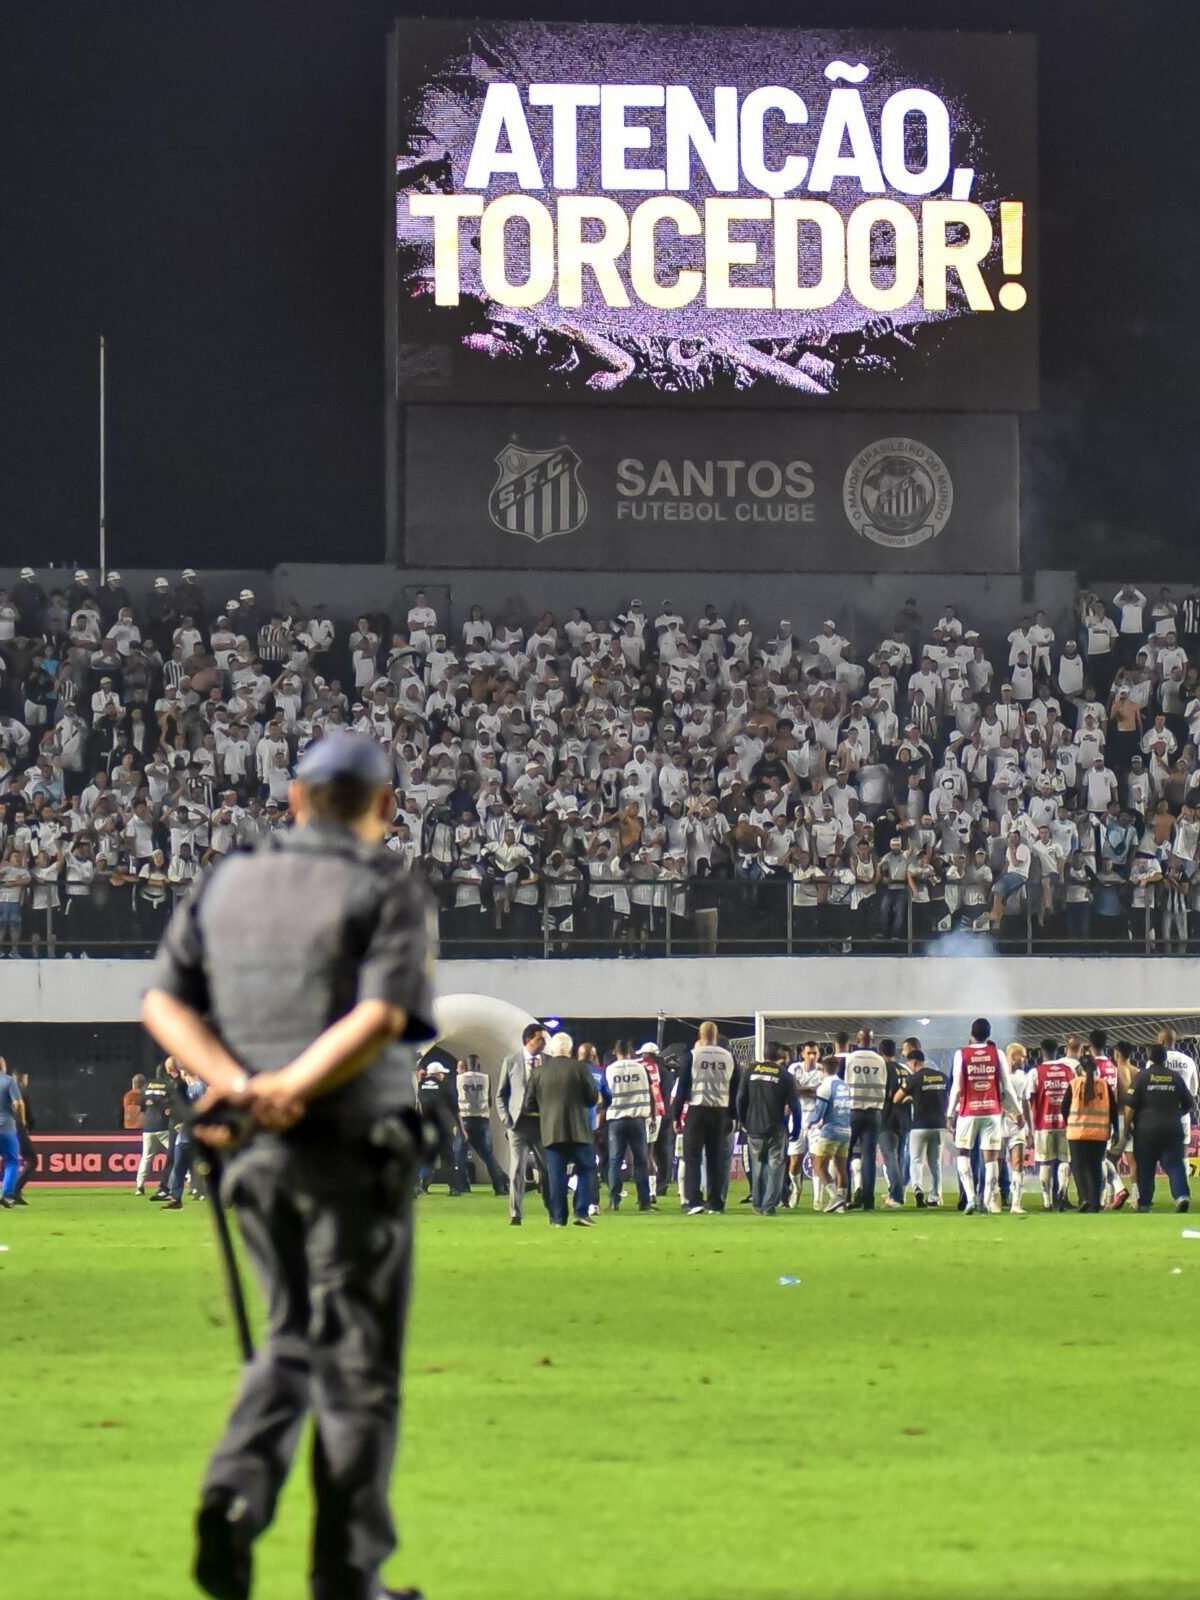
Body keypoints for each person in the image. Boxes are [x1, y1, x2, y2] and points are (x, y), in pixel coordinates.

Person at [141, 729, 436, 1600]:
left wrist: (239, 1084)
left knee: (287, 1341)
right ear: (384, 808)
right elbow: (382, 1016)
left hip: (249, 1154)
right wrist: (294, 1088)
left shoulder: (224, 880)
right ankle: (348, 1574)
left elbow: (162, 1000)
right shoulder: (386, 883)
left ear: (296, 798)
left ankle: (234, 1495)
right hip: (351, 1150)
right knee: (357, 1367)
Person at [947, 1018, 1022, 1214]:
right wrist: (1017, 1112)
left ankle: (971, 1197)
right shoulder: (997, 1054)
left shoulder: (961, 1054)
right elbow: (1007, 1088)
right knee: (991, 1159)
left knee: (963, 1153)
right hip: (992, 1112)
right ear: (989, 1034)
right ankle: (986, 1201)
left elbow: (956, 1087)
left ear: (972, 1033)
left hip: (968, 1112)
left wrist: (949, 1114)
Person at [524, 1030, 599, 1227]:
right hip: (579, 1130)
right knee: (587, 1169)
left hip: (551, 1131)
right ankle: (581, 1211)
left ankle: (558, 1218)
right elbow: (592, 1098)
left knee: (556, 1176)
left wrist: (546, 1110)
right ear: (571, 1049)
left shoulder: (538, 1072)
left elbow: (528, 1105)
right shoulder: (581, 1069)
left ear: (551, 1049)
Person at [673, 1021, 739, 1215]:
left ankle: (694, 1201)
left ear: (700, 1035)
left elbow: (682, 1089)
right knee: (716, 1159)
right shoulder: (729, 1057)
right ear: (716, 1035)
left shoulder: (692, 1056)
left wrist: (676, 1116)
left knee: (692, 1157)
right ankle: (716, 1203)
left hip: (697, 1110)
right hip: (721, 1112)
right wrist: (733, 1116)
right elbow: (735, 1090)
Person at [1127, 1044, 1196, 1213]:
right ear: (1165, 1059)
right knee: (1175, 1165)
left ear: (1149, 1058)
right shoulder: (1175, 1077)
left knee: (1146, 1167)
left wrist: (1127, 1126)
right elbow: (1190, 1103)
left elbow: (1131, 1105)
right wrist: (1176, 1114)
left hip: (1146, 1129)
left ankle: (1144, 1203)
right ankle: (1181, 1197)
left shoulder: (1141, 1077)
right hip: (1172, 1128)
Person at [736, 1043, 800, 1216]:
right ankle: (769, 1205)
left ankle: (757, 1203)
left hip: (753, 1127)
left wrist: (743, 1120)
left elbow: (740, 1098)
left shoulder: (750, 1070)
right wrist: (797, 1128)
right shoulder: (784, 1075)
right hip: (776, 1127)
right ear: (780, 1056)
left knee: (757, 1165)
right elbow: (795, 1105)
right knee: (775, 1166)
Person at [497, 1022, 549, 1226]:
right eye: (540, 1039)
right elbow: (501, 1095)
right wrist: (506, 1121)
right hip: (518, 1125)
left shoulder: (549, 1062)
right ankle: (515, 1213)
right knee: (517, 1170)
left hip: (542, 1124)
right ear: (528, 1040)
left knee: (547, 1171)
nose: (544, 1043)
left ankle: (552, 1209)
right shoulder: (511, 1062)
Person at [1063, 1048, 1119, 1212]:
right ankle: (1095, 1203)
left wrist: (1070, 1121)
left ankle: (1084, 1198)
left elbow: (1064, 1108)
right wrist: (1116, 1130)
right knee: (1095, 1168)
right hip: (1099, 1135)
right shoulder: (1104, 1085)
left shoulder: (1074, 1084)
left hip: (1077, 1133)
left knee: (1079, 1167)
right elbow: (1113, 1110)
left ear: (1079, 1069)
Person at [600, 1045, 654, 1212]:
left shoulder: (609, 1070)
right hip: (637, 1118)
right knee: (641, 1161)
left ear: (616, 1053)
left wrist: (603, 1117)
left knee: (615, 1161)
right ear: (631, 1053)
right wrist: (651, 1114)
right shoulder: (641, 1069)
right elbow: (650, 1091)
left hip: (616, 1120)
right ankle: (644, 1201)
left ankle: (614, 1201)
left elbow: (603, 1094)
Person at [1026, 1041, 1078, 1211]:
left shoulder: (1036, 1072)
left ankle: (1047, 1201)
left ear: (1041, 1052)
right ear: (1058, 1051)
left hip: (1043, 1124)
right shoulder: (1068, 1071)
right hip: (1066, 1124)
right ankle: (1062, 1194)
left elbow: (1027, 1100)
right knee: (1064, 1160)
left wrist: (1030, 1127)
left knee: (1045, 1162)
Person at [843, 1027, 888, 1210]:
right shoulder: (880, 1061)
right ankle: (868, 1201)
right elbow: (884, 1083)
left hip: (852, 1111)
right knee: (869, 1157)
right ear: (873, 1040)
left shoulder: (849, 1059)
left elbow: (842, 1083)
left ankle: (844, 1197)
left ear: (857, 1039)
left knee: (844, 1155)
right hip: (873, 1112)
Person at [899, 1050, 948, 1207]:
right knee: (935, 1163)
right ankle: (935, 1196)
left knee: (916, 1161)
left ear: (913, 1063)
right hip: (940, 1125)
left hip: (919, 1126)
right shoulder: (942, 1076)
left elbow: (896, 1098)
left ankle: (918, 1190)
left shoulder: (914, 1078)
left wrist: (910, 1098)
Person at [453, 1056, 508, 1196]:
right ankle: (499, 1186)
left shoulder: (459, 1079)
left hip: (465, 1119)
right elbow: (489, 1100)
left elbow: (455, 1101)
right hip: (482, 1119)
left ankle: (460, 1187)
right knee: (488, 1156)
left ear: (467, 1064)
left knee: (459, 1155)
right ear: (478, 1065)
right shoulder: (486, 1078)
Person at [809, 1055, 853, 1212]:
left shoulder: (825, 1086)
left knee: (818, 1165)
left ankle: (835, 1198)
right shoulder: (845, 1086)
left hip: (831, 1131)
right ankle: (841, 1205)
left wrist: (810, 1123)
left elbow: (819, 1111)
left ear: (822, 1069)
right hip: (846, 1129)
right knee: (841, 1168)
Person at [878, 1039, 912, 1210]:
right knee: (898, 1157)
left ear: (880, 1052)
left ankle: (897, 1196)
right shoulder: (904, 1070)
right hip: (904, 1119)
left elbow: (887, 1095)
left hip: (888, 1118)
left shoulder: (883, 1069)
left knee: (890, 1157)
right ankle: (896, 1193)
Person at [135, 1064, 174, 1196]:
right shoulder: (168, 1085)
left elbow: (141, 1107)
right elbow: (171, 1107)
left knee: (146, 1157)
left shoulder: (146, 1086)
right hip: (163, 1126)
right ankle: (190, 1181)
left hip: (148, 1127)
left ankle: (139, 1186)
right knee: (177, 1153)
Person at [1003, 1043, 1032, 1215]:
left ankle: (1016, 1203)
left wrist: (1030, 1126)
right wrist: (1010, 1113)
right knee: (996, 1163)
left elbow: (1025, 1102)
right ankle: (993, 1200)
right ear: (1014, 1057)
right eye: (1023, 1056)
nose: (1025, 1060)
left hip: (1018, 1126)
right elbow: (997, 1098)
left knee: (1018, 1163)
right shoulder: (1001, 1075)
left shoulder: (1024, 1076)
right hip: (999, 1123)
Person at [0, 1057, 25, 1208]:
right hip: (6, 1128)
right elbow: (18, 1103)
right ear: (3, 1065)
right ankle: (8, 1195)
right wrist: (22, 1120)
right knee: (12, 1161)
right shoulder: (8, 1081)